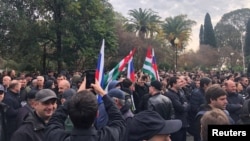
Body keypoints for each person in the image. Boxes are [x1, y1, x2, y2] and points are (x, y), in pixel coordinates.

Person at [45, 78, 126, 141]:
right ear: (97, 114)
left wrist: (76, 94)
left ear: (69, 113)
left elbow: (55, 120)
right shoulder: (108, 137)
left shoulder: (57, 137)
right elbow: (118, 120)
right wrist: (102, 93)